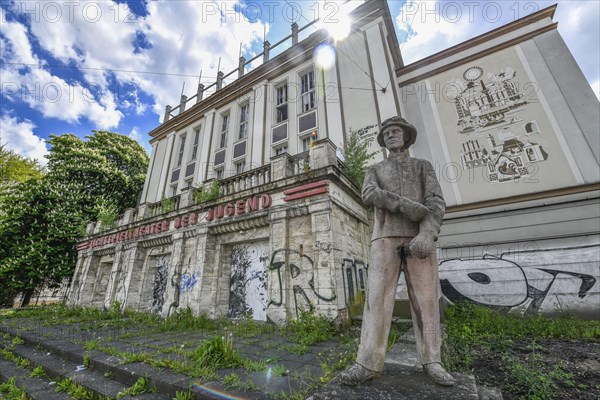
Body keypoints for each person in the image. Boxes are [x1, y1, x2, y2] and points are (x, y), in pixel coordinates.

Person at [340, 116, 455, 387]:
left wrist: (427, 233)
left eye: (396, 131)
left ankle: (432, 361)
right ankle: (367, 362)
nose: (391, 135)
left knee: (427, 303)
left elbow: (436, 202)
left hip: (419, 242)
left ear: (407, 136)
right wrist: (405, 205)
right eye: (386, 133)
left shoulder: (422, 167)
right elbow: (369, 194)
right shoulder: (375, 169)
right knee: (377, 301)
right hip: (385, 239)